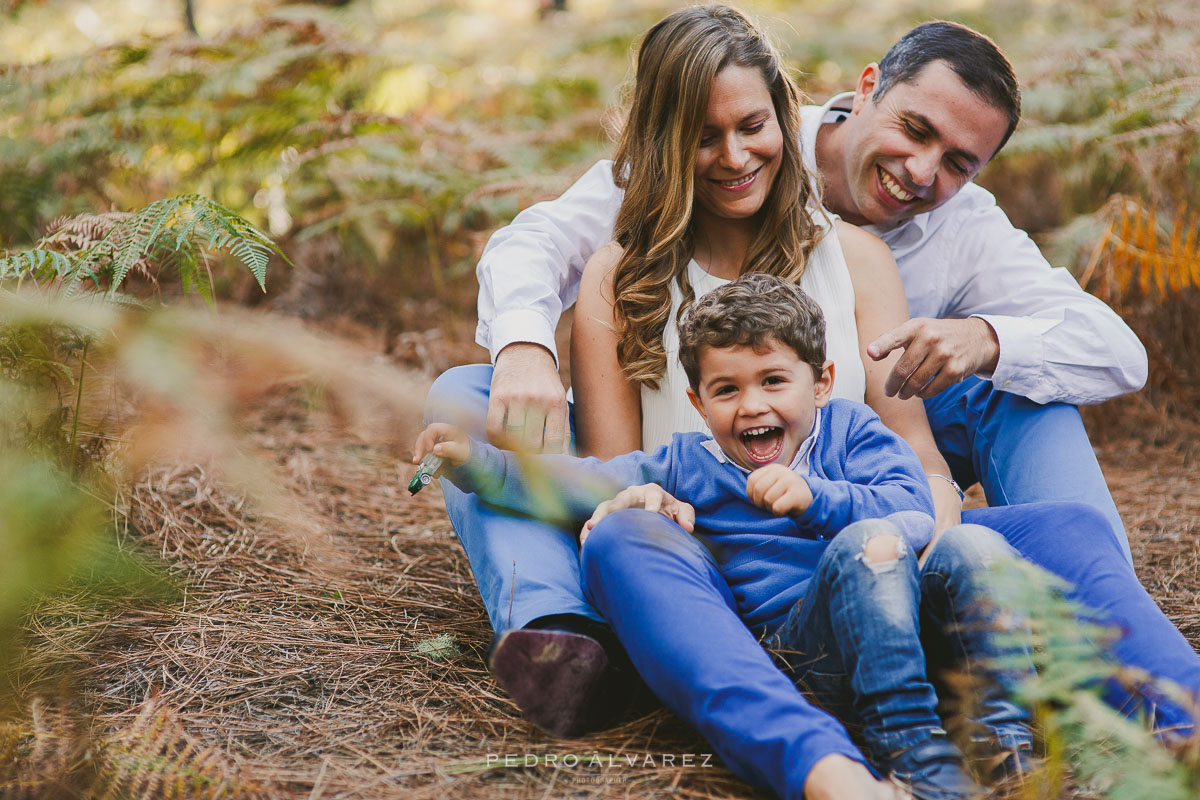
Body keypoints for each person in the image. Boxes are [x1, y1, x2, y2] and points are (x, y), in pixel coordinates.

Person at [424, 4, 1199, 771]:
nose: (734, 155)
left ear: (780, 121)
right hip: (731, 566)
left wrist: (934, 524)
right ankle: (755, 722)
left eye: (752, 128)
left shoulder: (858, 259)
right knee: (611, 523)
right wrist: (556, 395)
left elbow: (913, 444)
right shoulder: (617, 276)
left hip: (873, 549)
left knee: (1065, 529)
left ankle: (1177, 713)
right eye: (703, 136)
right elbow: (618, 465)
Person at [417, 274, 1035, 800]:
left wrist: (820, 500)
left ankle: (1006, 741)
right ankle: (912, 752)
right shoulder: (689, 464)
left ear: (820, 383)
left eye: (773, 381)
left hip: (902, 626)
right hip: (803, 653)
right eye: (727, 389)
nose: (751, 405)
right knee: (864, 546)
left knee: (971, 547)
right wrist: (479, 463)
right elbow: (581, 482)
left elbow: (914, 510)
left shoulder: (850, 431)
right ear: (697, 399)